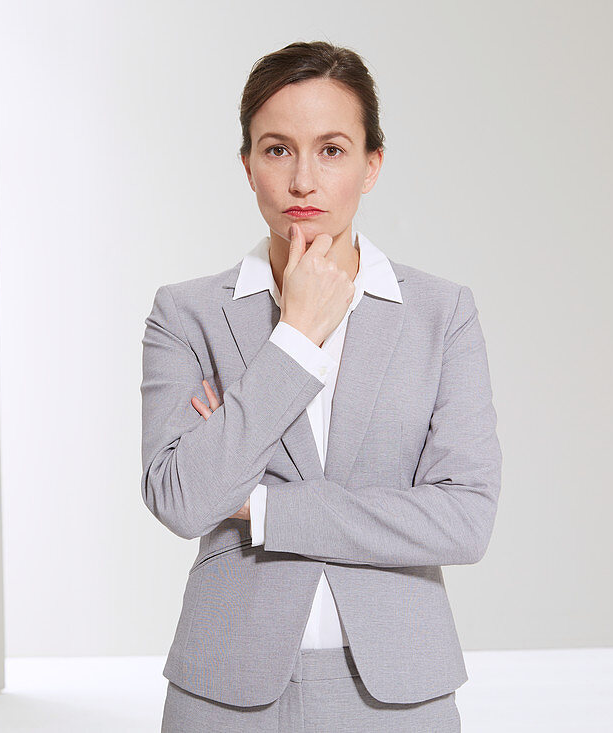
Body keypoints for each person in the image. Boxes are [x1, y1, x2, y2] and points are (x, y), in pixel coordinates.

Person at [140, 40, 502, 732]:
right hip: (223, 687)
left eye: (332, 149)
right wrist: (295, 339)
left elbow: (465, 520)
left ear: (372, 166)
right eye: (277, 150)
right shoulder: (185, 314)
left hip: (398, 685)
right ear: (247, 166)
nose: (303, 179)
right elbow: (184, 498)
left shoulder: (440, 313)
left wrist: (260, 507)